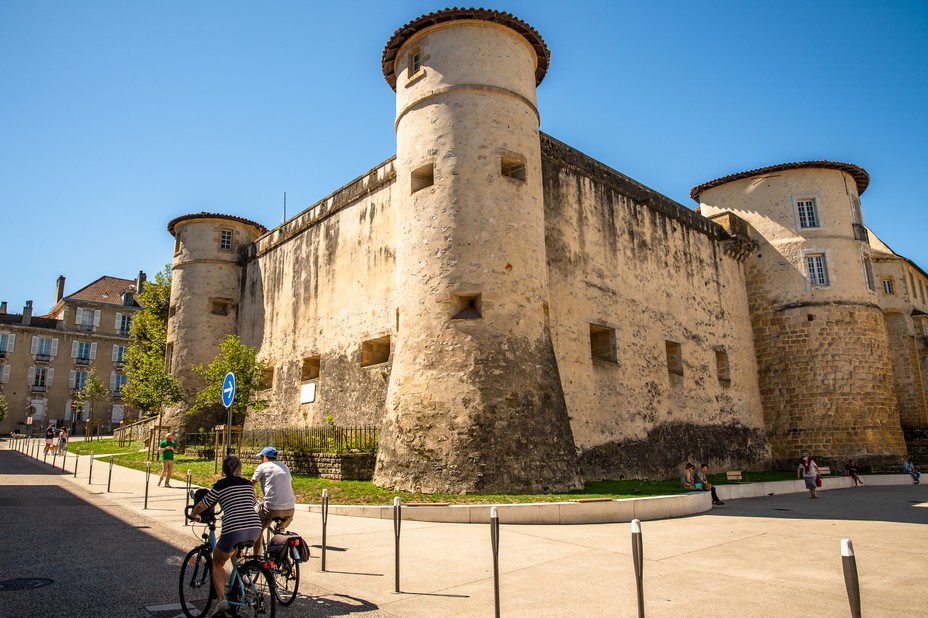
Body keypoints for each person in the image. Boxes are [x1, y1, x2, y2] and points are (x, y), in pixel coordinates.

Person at [191, 456, 262, 618]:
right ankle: (239, 584)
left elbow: (203, 504)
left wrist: (194, 514)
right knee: (237, 553)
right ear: (239, 468)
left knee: (217, 562)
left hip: (233, 528)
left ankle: (222, 601)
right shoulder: (247, 484)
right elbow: (250, 503)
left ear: (224, 470)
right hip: (254, 526)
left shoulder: (220, 485)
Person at [251, 446, 296, 557]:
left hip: (272, 507)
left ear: (265, 457)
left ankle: (256, 558)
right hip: (290, 508)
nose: (261, 459)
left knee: (258, 529)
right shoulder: (284, 467)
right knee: (280, 529)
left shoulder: (262, 467)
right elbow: (291, 486)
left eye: (261, 457)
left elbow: (250, 485)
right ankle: (281, 557)